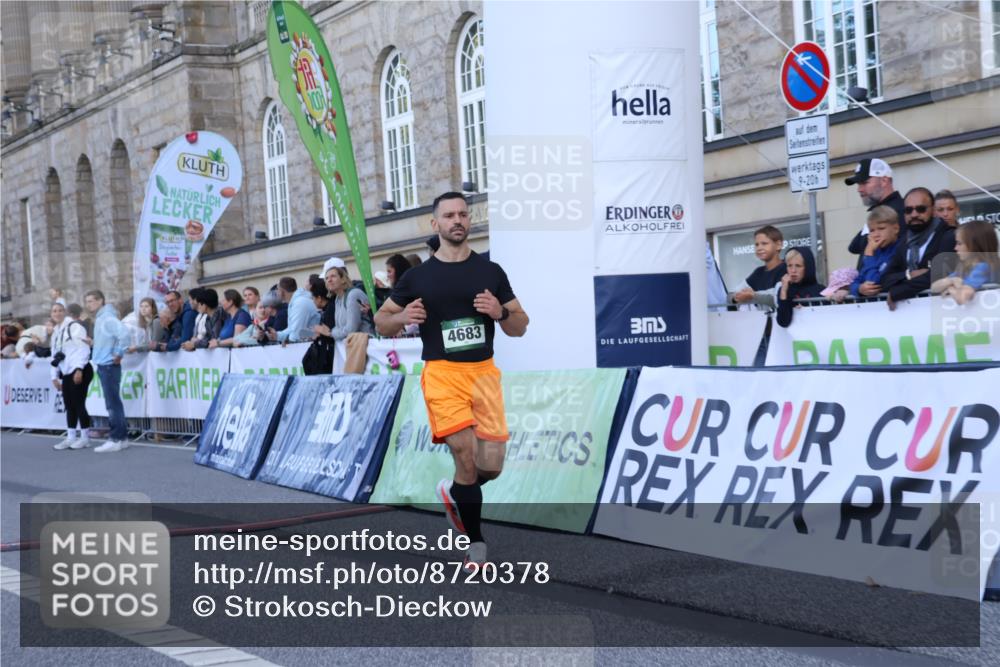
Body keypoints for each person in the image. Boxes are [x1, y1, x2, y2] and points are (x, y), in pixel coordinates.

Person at [375, 192, 529, 571]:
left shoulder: (491, 272)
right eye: (449, 215)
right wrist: (402, 318)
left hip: (483, 374)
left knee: (489, 467)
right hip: (443, 373)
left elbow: (520, 326)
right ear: (436, 224)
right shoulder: (417, 277)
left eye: (462, 214)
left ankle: (456, 491)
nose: (457, 220)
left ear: (469, 220)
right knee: (464, 452)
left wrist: (500, 311)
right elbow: (381, 321)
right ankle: (476, 547)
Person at [881, 187, 957, 309]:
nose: (914, 214)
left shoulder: (948, 235)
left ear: (933, 210)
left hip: (944, 310)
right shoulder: (904, 242)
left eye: (921, 209)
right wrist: (909, 275)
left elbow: (940, 274)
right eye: (908, 210)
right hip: (911, 312)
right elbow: (885, 279)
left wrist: (899, 291)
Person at [85, 290, 132, 453]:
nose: (88, 305)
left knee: (112, 404)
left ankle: (116, 439)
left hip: (108, 365)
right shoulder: (102, 318)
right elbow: (111, 339)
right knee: (113, 403)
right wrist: (94, 343)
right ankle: (122, 438)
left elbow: (125, 335)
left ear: (100, 301)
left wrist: (119, 353)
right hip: (105, 364)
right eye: (87, 301)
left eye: (91, 301)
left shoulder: (106, 318)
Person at [830, 206, 902, 302]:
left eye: (881, 228)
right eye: (872, 230)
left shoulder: (900, 250)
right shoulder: (874, 252)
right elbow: (857, 280)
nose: (876, 234)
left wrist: (869, 253)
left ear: (896, 228)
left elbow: (873, 284)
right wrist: (859, 289)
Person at [845, 158, 907, 268]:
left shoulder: (899, 211)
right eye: (858, 184)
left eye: (864, 183)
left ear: (884, 181)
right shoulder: (880, 210)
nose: (859, 189)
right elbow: (854, 247)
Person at [50, 302, 94, 450]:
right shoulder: (55, 332)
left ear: (65, 312)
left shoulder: (75, 327)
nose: (57, 313)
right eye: (54, 311)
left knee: (79, 403)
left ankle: (85, 438)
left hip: (80, 370)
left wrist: (79, 369)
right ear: (51, 314)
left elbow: (84, 349)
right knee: (69, 405)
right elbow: (55, 356)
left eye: (60, 310)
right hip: (67, 373)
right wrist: (54, 376)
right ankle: (71, 437)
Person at [321, 261, 374, 373]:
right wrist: (335, 332)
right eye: (326, 278)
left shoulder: (353, 294)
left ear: (343, 279)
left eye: (333, 276)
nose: (329, 280)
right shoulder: (337, 298)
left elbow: (351, 329)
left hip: (368, 347)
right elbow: (339, 327)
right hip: (354, 347)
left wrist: (331, 333)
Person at [931, 221, 999, 305]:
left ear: (975, 245)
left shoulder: (983, 267)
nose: (955, 248)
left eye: (959, 243)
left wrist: (950, 289)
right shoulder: (966, 267)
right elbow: (934, 287)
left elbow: (962, 298)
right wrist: (952, 280)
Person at [730, 225, 786, 307]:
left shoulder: (788, 269)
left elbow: (780, 299)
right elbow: (731, 296)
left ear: (778, 245)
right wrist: (736, 298)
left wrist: (753, 296)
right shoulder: (758, 272)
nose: (759, 248)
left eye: (764, 243)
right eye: (756, 245)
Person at [776, 247, 825, 328]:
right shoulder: (784, 290)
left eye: (798, 266)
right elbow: (783, 322)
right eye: (789, 266)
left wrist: (807, 310)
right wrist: (784, 291)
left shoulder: (821, 290)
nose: (793, 270)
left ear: (808, 267)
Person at [272, 276, 319, 343]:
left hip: (313, 345)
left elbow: (296, 335)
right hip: (309, 343)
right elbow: (292, 329)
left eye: (277, 289)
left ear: (282, 291)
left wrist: (287, 342)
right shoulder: (296, 302)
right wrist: (276, 335)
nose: (276, 293)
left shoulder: (300, 303)